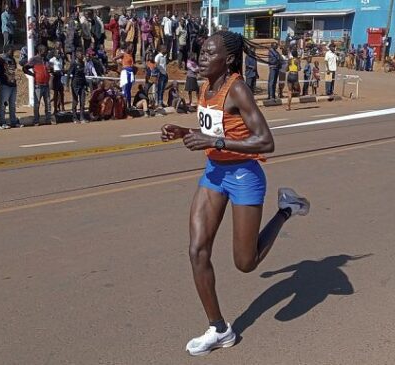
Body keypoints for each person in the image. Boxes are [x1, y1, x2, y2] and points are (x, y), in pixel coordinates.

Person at [160, 31, 310, 357]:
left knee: (246, 263)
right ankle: (219, 329)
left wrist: (213, 143)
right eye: (200, 51)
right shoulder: (206, 86)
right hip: (214, 174)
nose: (201, 57)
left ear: (227, 59)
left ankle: (286, 209)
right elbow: (216, 131)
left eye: (208, 53)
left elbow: (266, 141)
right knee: (197, 250)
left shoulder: (237, 89)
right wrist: (185, 132)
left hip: (244, 177)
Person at [23, 44, 52, 125]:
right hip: (38, 85)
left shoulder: (46, 59)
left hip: (46, 84)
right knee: (37, 103)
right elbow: (25, 68)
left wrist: (50, 70)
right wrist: (32, 74)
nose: (46, 52)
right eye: (44, 51)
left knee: (48, 103)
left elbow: (49, 69)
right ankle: (36, 120)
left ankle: (48, 118)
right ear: (40, 51)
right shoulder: (34, 59)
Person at [0, 46, 18, 128]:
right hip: (5, 85)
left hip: (13, 84)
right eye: (11, 51)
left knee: (12, 105)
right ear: (6, 51)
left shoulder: (12, 59)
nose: (12, 52)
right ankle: (3, 122)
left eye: (13, 51)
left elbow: (14, 68)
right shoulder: (1, 60)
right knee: (3, 104)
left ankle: (13, 121)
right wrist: (4, 78)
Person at [115, 44, 135, 108]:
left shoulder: (131, 55)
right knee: (125, 89)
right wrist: (121, 65)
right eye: (131, 47)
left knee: (128, 90)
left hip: (130, 73)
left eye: (133, 48)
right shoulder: (123, 54)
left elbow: (132, 65)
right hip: (125, 72)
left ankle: (129, 105)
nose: (132, 49)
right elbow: (114, 59)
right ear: (127, 47)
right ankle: (123, 105)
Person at [50, 44, 66, 113]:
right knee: (55, 93)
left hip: (60, 76)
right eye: (57, 53)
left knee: (61, 93)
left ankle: (62, 106)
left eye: (59, 53)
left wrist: (62, 71)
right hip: (55, 76)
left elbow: (61, 67)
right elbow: (51, 69)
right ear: (54, 54)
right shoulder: (52, 60)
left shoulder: (61, 59)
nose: (58, 54)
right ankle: (55, 108)